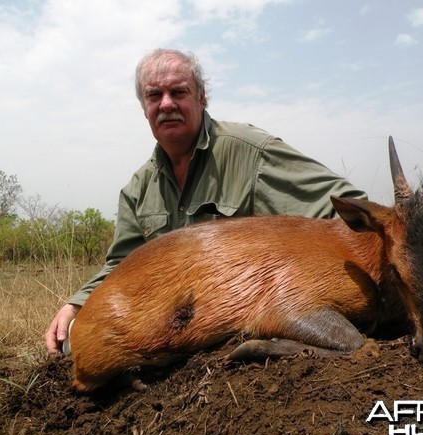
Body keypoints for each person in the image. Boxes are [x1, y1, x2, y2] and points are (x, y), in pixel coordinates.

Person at [45, 48, 367, 354]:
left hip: (244, 314)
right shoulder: (137, 189)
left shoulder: (252, 153)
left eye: (179, 92)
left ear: (201, 97)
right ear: (144, 108)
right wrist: (76, 303)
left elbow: (352, 209)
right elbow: (120, 265)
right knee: (76, 339)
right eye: (154, 96)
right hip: (174, 322)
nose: (166, 104)